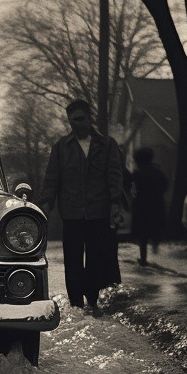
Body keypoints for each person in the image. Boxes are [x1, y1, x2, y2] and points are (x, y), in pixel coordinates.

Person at [37, 98, 125, 315]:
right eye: (72, 121)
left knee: (96, 258)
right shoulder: (61, 147)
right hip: (72, 212)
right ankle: (76, 303)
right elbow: (52, 177)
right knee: (73, 260)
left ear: (89, 118)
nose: (76, 124)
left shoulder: (107, 145)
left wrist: (115, 203)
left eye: (80, 119)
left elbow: (115, 175)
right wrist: (46, 203)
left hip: (99, 212)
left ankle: (92, 299)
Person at [125, 146, 169, 266]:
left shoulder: (137, 173)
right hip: (156, 204)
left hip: (141, 205)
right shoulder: (157, 172)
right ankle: (155, 242)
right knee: (156, 226)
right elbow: (165, 185)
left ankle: (143, 258)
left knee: (142, 235)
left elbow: (129, 184)